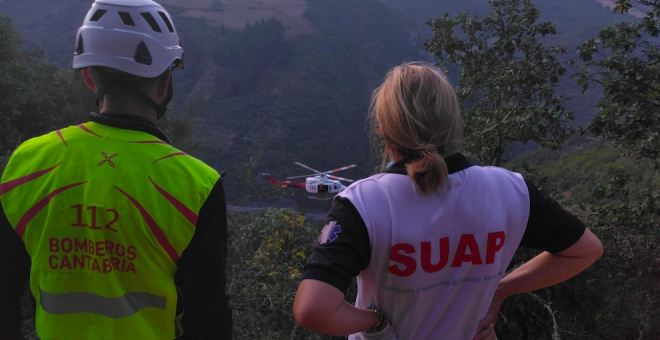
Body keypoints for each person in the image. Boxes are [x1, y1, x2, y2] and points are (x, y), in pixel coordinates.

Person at [293, 62, 603, 340]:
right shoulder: (510, 190)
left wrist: (375, 323)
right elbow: (585, 250)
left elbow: (313, 310)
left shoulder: (363, 203)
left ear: (385, 132)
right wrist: (502, 290)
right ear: (453, 123)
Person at [0, 1, 232, 339]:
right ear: (165, 83)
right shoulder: (195, 184)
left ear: (88, 77)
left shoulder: (26, 164)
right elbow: (208, 317)